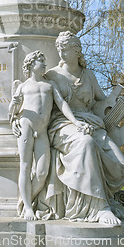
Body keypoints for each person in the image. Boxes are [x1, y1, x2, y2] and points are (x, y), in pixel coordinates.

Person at [35, 32, 124, 225]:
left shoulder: (89, 75)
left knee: (122, 166)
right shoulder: (52, 75)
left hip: (91, 123)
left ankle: (107, 201)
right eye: (59, 48)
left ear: (77, 50)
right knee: (85, 144)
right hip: (62, 124)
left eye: (65, 48)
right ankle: (99, 208)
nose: (61, 52)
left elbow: (103, 102)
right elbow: (39, 101)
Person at [9, 50, 92, 221]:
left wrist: (76, 122)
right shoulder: (23, 86)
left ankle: (25, 203)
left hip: (42, 131)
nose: (45, 64)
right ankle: (28, 208)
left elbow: (62, 105)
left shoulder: (50, 85)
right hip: (26, 127)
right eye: (41, 60)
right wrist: (14, 108)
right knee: (25, 166)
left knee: (41, 172)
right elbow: (12, 111)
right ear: (31, 64)